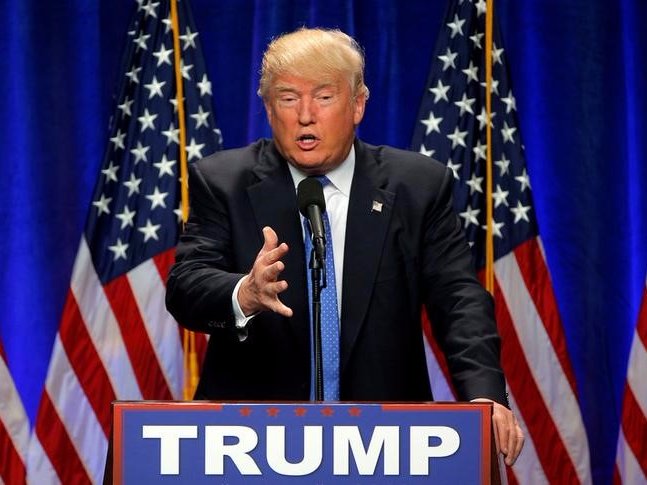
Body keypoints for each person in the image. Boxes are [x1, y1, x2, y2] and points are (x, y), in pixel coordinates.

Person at [165, 27, 524, 465]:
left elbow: (458, 298)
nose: (305, 115)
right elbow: (186, 286)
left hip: (386, 447)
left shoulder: (416, 186)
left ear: (357, 105)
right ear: (268, 108)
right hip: (252, 445)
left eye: (324, 96)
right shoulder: (223, 181)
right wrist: (245, 292)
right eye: (288, 97)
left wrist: (483, 396)